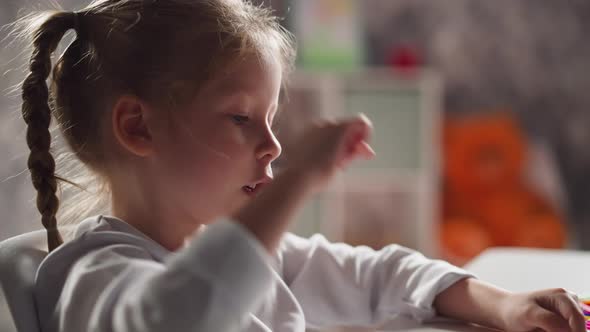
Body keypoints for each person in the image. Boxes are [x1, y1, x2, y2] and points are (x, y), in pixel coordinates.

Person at [14, 0, 585, 331]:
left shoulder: (248, 254)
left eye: (271, 120)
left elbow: (381, 274)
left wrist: (504, 305)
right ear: (138, 127)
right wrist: (295, 185)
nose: (273, 146)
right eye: (241, 118)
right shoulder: (94, 276)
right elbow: (182, 315)